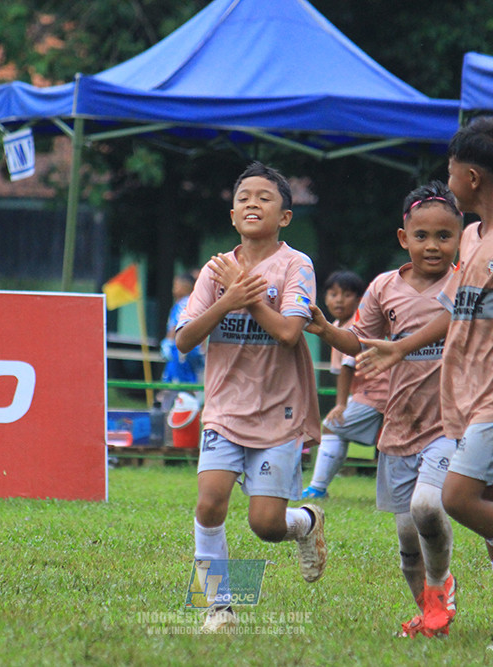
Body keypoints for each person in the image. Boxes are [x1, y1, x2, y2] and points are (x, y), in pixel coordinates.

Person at [356, 117, 493, 650]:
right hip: (469, 395)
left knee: (455, 498)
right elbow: (454, 312)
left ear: (471, 176)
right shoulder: (473, 236)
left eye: (451, 169)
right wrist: (400, 347)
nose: (447, 178)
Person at [175, 162, 326, 633]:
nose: (252, 204)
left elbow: (287, 332)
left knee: (265, 525)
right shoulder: (216, 269)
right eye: (243, 197)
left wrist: (249, 295)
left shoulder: (297, 266)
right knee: (209, 502)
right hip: (223, 409)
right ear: (233, 214)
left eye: (264, 197)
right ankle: (219, 609)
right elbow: (183, 340)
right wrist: (227, 296)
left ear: (285, 216)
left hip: (278, 413)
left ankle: (305, 522)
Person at [308, 181, 462, 638]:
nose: (432, 246)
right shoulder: (383, 288)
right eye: (422, 236)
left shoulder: (466, 282)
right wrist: (325, 329)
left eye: (444, 236)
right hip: (399, 426)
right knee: (407, 540)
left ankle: (441, 588)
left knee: (428, 507)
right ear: (403, 238)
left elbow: (457, 320)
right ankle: (431, 615)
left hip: (450, 423)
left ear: (460, 237)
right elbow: (357, 343)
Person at [302, 270, 385, 500]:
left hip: (377, 393)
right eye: (333, 294)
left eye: (347, 295)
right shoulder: (337, 324)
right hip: (370, 393)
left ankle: (317, 489)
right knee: (388, 444)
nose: (339, 300)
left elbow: (348, 366)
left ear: (360, 300)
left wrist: (340, 404)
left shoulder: (355, 324)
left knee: (331, 425)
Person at [161, 272, 204, 385]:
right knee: (191, 379)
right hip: (194, 348)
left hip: (181, 350)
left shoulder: (183, 303)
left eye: (176, 285)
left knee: (178, 382)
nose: (173, 289)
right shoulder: (196, 302)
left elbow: (176, 325)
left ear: (185, 286)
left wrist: (168, 342)